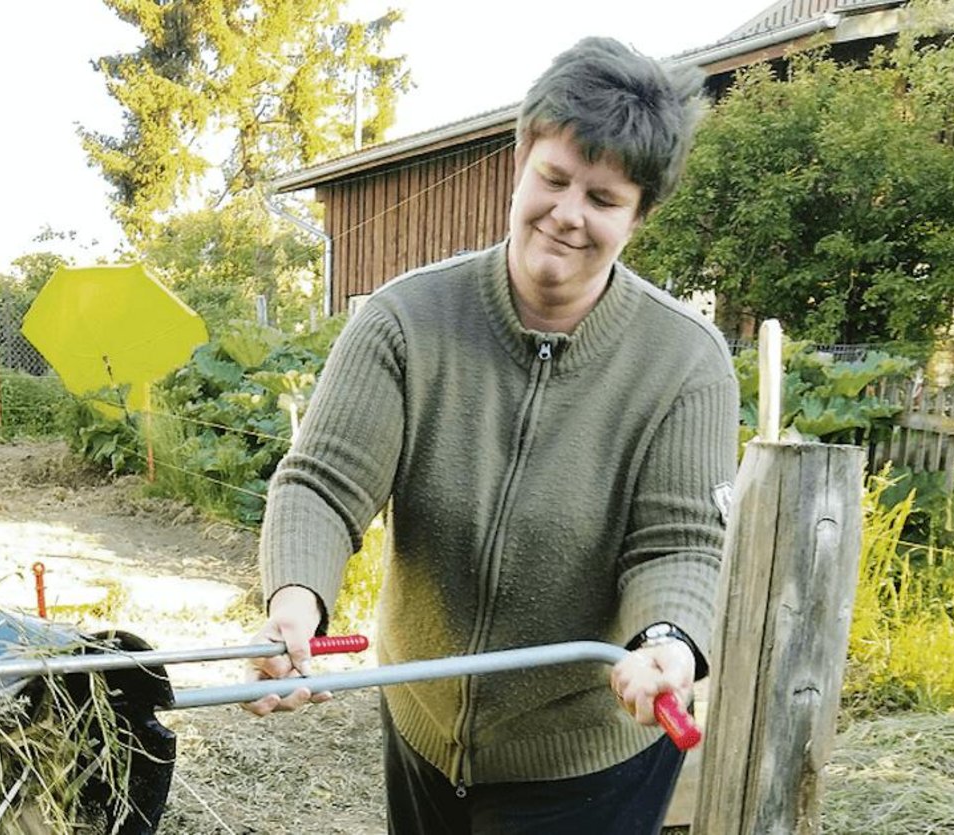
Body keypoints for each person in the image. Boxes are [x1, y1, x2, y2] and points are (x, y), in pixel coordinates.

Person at [243, 36, 740, 835]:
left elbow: (679, 543)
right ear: (521, 162)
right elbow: (325, 486)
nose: (568, 214)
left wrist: (667, 645)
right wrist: (297, 604)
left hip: (586, 755)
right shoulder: (406, 322)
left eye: (605, 199)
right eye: (554, 178)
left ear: (640, 215)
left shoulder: (685, 363)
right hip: (424, 725)